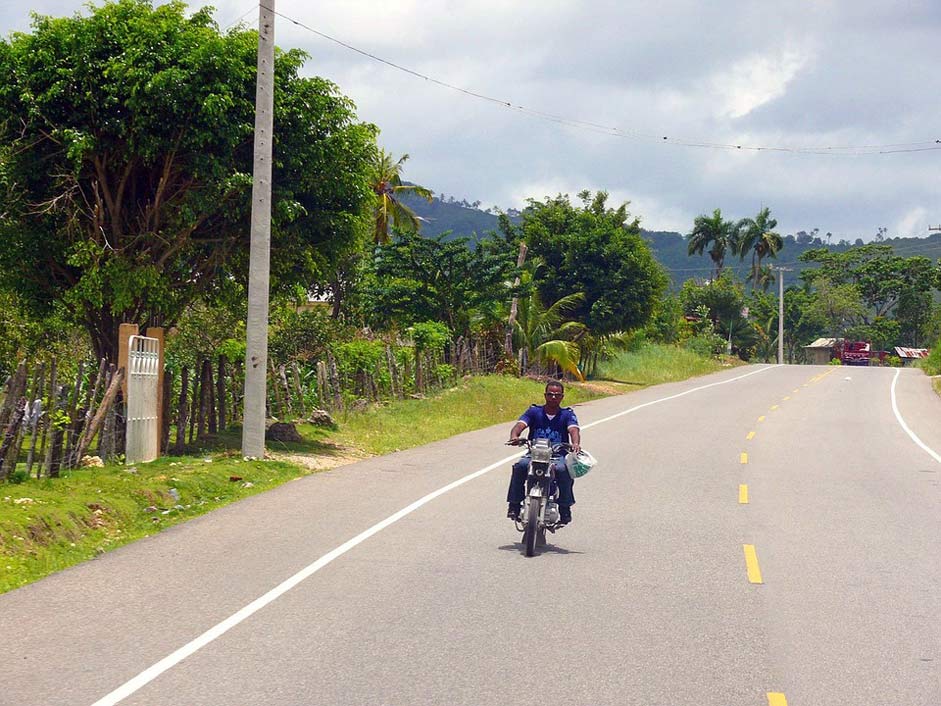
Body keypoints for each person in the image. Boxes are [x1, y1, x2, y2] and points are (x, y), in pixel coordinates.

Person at [506, 380, 581, 524]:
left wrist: (575, 443)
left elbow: (573, 429)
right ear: (545, 395)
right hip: (534, 453)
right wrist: (514, 436)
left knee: (563, 470)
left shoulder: (567, 414)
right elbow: (520, 425)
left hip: (557, 455)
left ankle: (565, 507)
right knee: (520, 466)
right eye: (550, 394)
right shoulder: (534, 411)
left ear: (562, 397)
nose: (553, 397)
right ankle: (514, 505)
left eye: (557, 395)